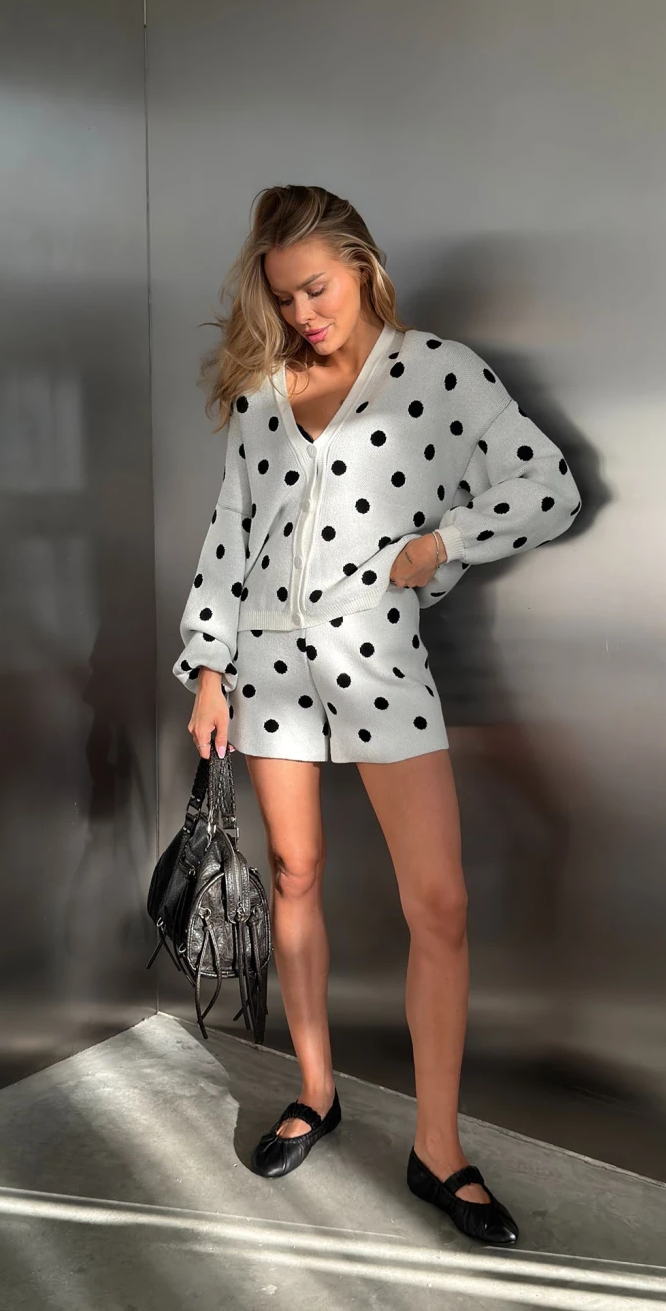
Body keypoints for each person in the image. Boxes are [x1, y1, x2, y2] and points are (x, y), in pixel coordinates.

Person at [174, 185, 581, 1246]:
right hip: (265, 660)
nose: (303, 313)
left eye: (317, 288)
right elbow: (231, 531)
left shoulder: (439, 372)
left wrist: (443, 545)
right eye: (284, 297)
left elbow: (548, 486)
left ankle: (438, 1147)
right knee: (294, 875)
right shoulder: (263, 390)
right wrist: (209, 667)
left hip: (377, 659)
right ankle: (316, 1090)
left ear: (361, 265)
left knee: (438, 904)